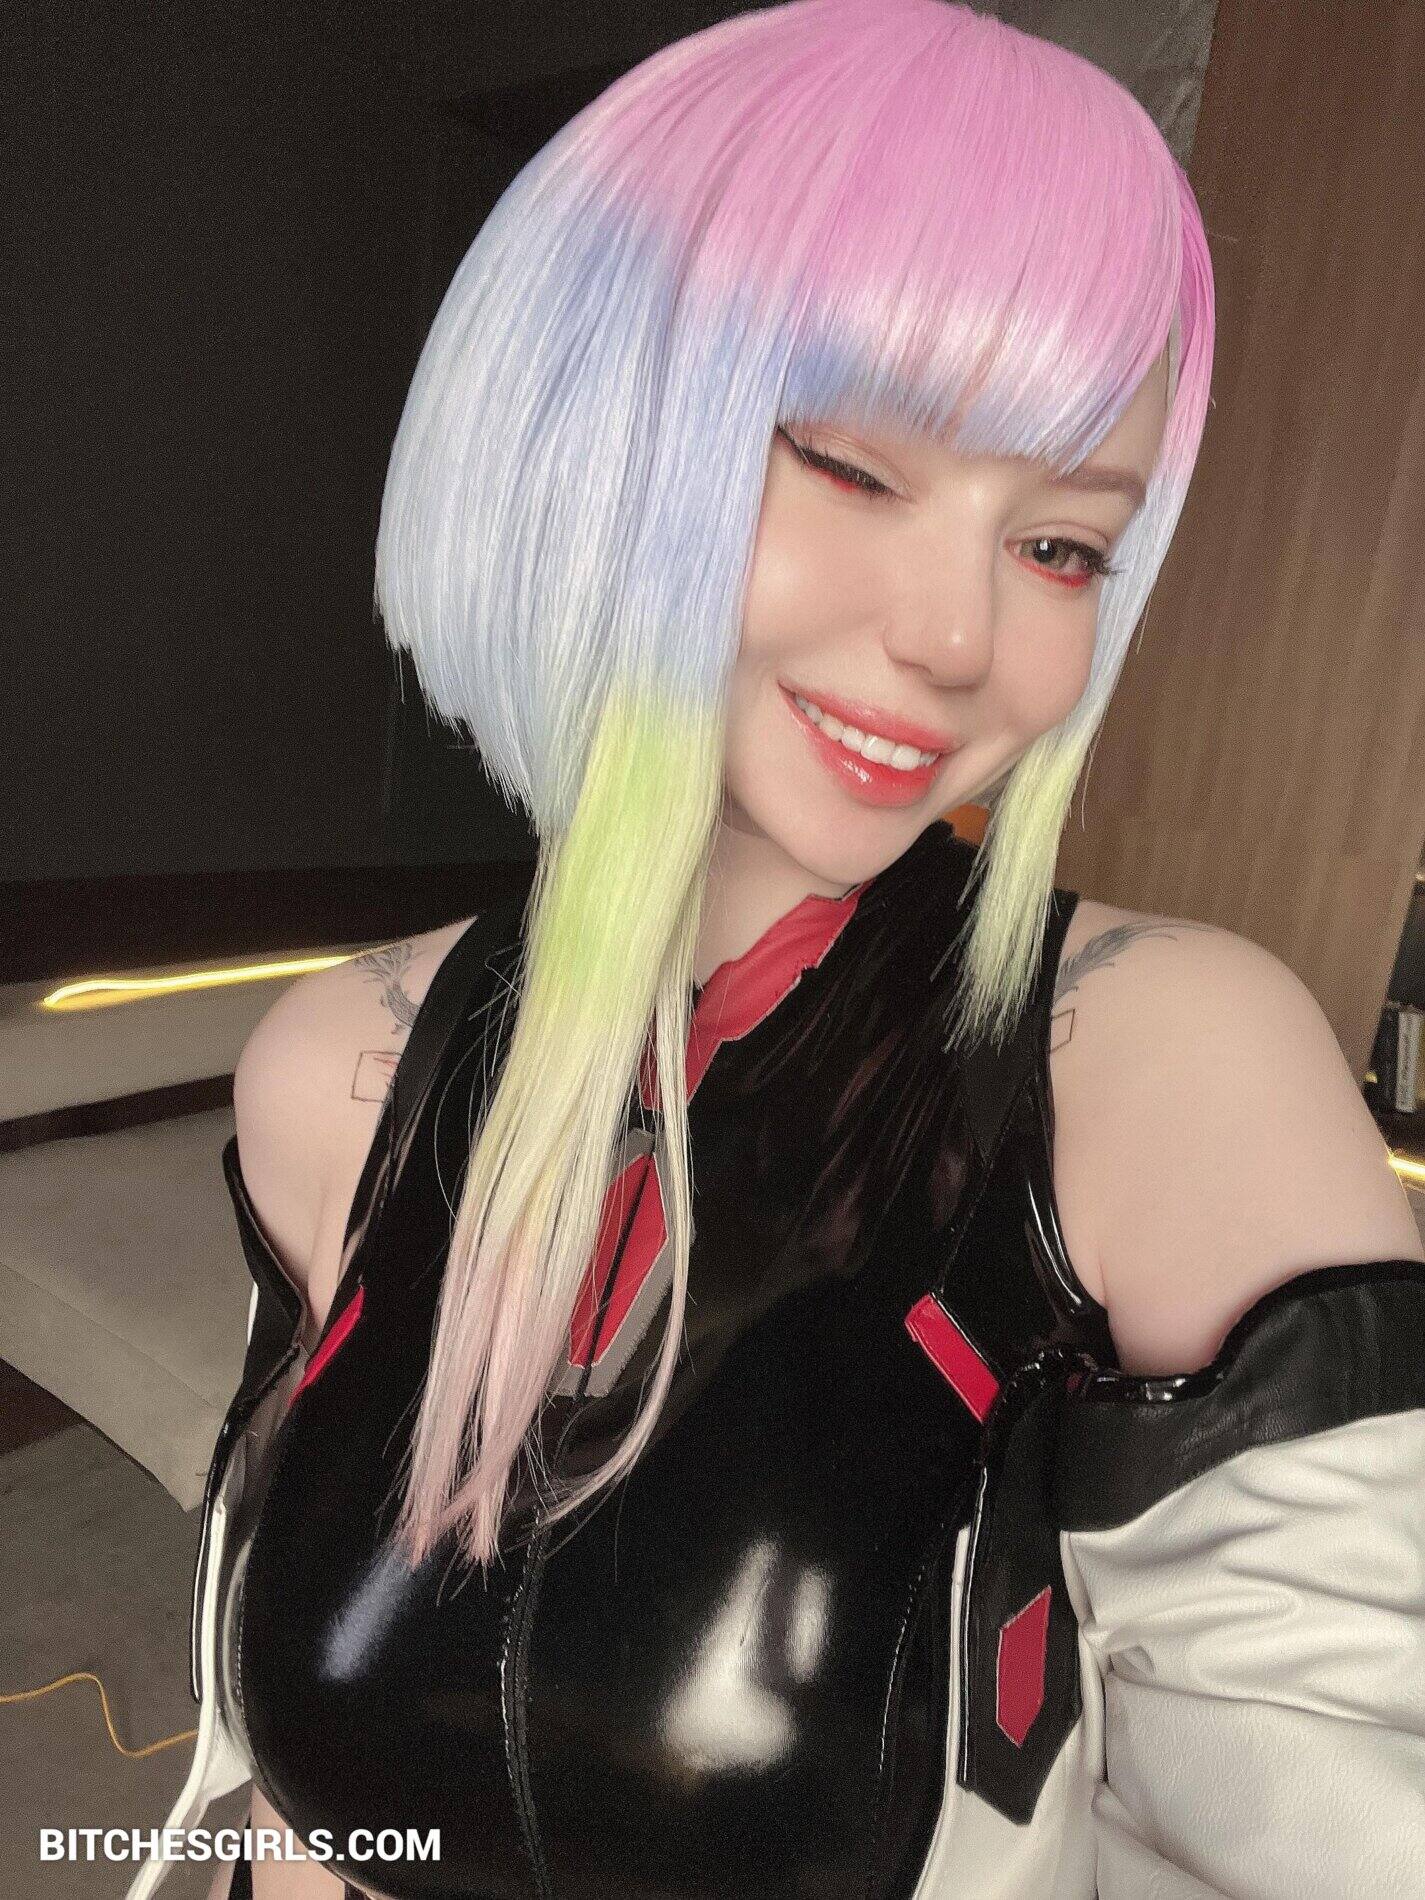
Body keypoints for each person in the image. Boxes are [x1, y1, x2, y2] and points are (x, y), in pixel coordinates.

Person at [129, 3, 1425, 1896]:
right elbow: (297, 1773)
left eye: (1060, 546)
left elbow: (1345, 1793)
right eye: (852, 469)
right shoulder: (340, 1065)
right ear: (584, 432)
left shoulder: (1154, 1058)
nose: (961, 640)